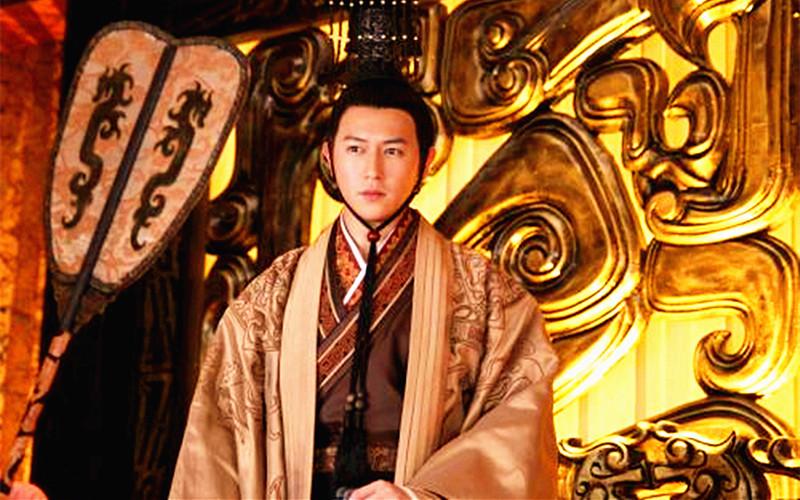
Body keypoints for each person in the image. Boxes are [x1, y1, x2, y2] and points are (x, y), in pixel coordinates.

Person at [169, 76, 559, 499]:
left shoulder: (483, 292)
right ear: (329, 157)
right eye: (355, 149)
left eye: (393, 151)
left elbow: (518, 422)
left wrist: (419, 495)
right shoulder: (273, 293)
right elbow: (218, 435)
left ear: (426, 160)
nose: (373, 170)